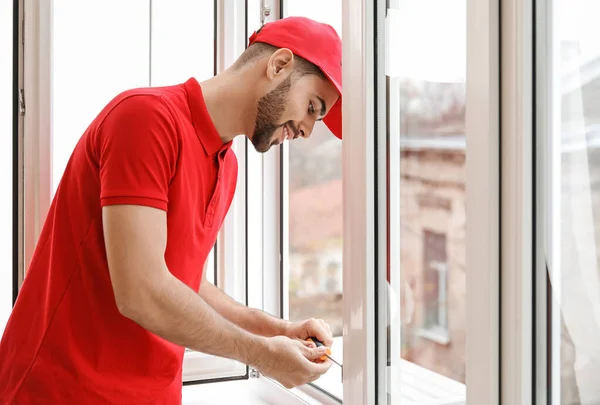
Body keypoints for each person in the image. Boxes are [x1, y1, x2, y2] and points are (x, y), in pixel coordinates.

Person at [0, 16, 342, 404]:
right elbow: (141, 291)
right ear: (278, 65)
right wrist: (262, 355)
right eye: (313, 107)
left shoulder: (226, 167)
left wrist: (275, 330)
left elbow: (181, 278)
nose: (308, 130)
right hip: (60, 391)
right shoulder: (146, 119)